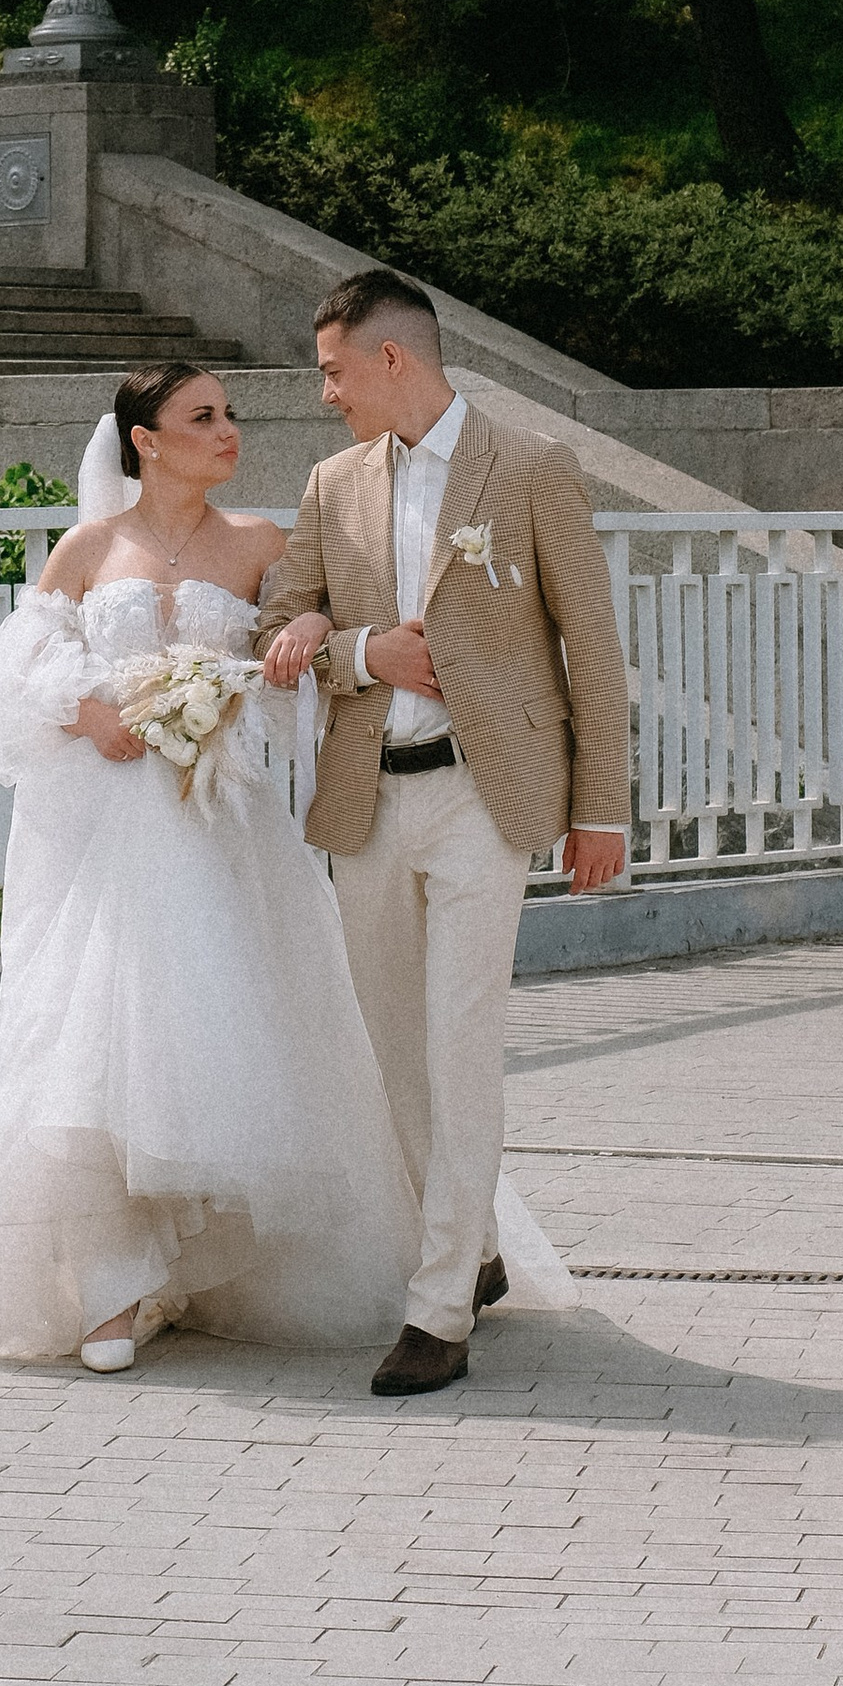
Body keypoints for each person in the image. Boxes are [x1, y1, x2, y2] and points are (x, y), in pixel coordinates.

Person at [0, 364, 423, 1371]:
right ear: (144, 439)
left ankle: (206, 1266)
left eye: (228, 415)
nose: (228, 431)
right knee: (92, 1040)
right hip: (100, 828)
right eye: (202, 417)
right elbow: (18, 668)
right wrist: (86, 707)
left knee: (211, 1038)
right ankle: (108, 1285)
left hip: (214, 819)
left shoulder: (262, 544)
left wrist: (302, 633)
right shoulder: (91, 545)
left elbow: (296, 652)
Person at [258, 268, 631, 1397]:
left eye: (332, 371)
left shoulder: (530, 468)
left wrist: (599, 807)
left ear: (390, 360)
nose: (323, 394)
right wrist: (362, 651)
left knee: (460, 1044)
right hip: (367, 800)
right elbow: (283, 625)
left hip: (489, 795)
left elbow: (590, 647)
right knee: (394, 1051)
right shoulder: (331, 484)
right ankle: (469, 1251)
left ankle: (436, 1315)